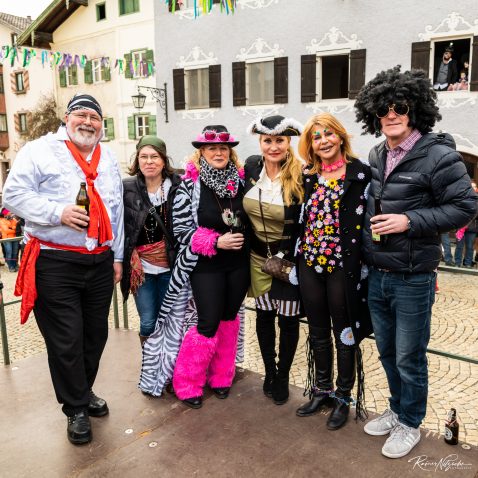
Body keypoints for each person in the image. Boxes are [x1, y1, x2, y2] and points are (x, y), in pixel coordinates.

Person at [354, 66, 478, 458]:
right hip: (378, 274)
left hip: (413, 278)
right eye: (383, 109)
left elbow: (465, 207)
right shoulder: (376, 153)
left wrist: (409, 220)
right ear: (374, 114)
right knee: (388, 352)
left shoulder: (439, 155)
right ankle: (396, 409)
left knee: (410, 356)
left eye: (400, 107)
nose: (391, 114)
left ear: (416, 109)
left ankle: (410, 422)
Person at [3, 93, 124, 446]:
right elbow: (13, 195)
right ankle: (76, 408)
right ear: (66, 119)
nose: (87, 122)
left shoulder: (108, 157)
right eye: (80, 114)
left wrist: (117, 256)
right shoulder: (38, 151)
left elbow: (115, 209)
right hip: (55, 262)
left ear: (101, 125)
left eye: (94, 117)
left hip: (100, 261)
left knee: (95, 336)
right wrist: (58, 212)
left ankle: (83, 390)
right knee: (66, 339)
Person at [140, 125, 249, 406]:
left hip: (239, 265)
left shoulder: (241, 183)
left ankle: (222, 376)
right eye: (212, 148)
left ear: (230, 152)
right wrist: (216, 242)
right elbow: (181, 230)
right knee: (208, 322)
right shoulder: (188, 186)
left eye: (223, 148)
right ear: (201, 152)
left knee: (229, 319)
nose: (218, 153)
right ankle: (187, 383)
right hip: (206, 265)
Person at [294, 113, 372, 430]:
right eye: (316, 137)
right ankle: (322, 390)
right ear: (310, 144)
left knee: (344, 332)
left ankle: (343, 397)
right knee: (317, 330)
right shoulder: (307, 175)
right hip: (310, 262)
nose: (323, 141)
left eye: (329, 134)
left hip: (343, 265)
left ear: (340, 137)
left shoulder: (360, 174)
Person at [243, 115, 304, 405]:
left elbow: (304, 223)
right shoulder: (251, 167)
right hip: (257, 258)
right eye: (268, 140)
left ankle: (283, 376)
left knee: (288, 321)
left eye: (279, 140)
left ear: (288, 142)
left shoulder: (301, 174)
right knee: (264, 317)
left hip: (288, 262)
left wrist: (290, 255)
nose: (273, 146)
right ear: (260, 142)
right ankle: (269, 371)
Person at [121, 135, 181, 346]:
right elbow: (119, 226)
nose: (149, 162)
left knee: (170, 320)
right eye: (143, 156)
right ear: (137, 160)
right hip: (141, 269)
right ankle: (151, 361)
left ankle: (169, 361)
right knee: (148, 321)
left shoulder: (178, 186)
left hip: (170, 266)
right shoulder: (126, 188)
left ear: (164, 160)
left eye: (154, 156)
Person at [454, 180, 478, 268]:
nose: (473, 188)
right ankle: (457, 262)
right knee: (459, 246)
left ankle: (468, 263)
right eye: (472, 186)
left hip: (472, 227)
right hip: (460, 226)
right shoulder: (461, 197)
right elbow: (457, 211)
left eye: (475, 186)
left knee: (470, 246)